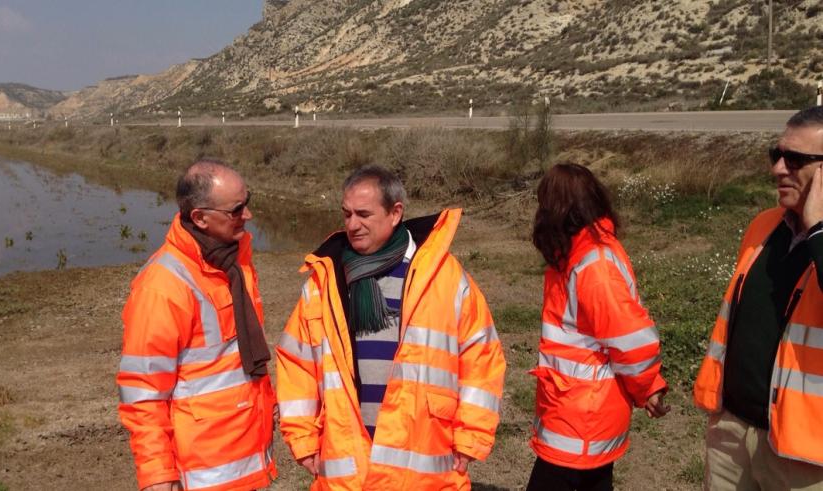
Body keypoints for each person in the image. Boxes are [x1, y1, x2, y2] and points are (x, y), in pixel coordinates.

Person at [275, 165, 506, 489]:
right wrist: (303, 439)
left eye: (364, 214)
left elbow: (481, 358)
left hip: (422, 468)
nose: (352, 225)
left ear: (395, 213)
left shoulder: (444, 278)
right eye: (346, 214)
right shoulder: (325, 282)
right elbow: (295, 362)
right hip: (348, 469)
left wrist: (471, 438)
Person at [116, 160, 277, 491]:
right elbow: (143, 392)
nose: (248, 215)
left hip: (247, 457)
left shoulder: (236, 263)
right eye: (236, 209)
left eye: (248, 201)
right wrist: (158, 475)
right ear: (200, 218)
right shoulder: (162, 286)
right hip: (203, 473)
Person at [694, 106, 823, 490]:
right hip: (733, 431)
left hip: (805, 454)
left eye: (796, 160)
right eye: (776, 155)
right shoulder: (764, 225)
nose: (778, 169)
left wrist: (818, 227)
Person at [527, 163, 669, 491]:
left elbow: (629, 338)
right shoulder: (577, 254)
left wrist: (648, 386)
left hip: (583, 416)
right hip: (576, 409)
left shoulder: (594, 265)